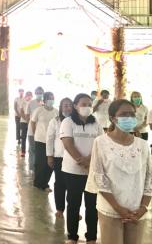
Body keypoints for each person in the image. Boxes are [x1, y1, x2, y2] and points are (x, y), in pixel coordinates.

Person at [86, 99, 152, 244]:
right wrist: (118, 208)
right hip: (110, 209)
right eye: (124, 114)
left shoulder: (143, 145)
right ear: (112, 118)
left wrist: (143, 207)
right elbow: (99, 178)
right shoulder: (101, 142)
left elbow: (149, 179)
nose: (129, 118)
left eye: (132, 114)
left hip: (137, 211)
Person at [60, 93, 102, 244]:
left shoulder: (95, 122)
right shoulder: (68, 122)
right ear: (76, 106)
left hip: (92, 170)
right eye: (83, 104)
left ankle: (91, 237)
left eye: (89, 104)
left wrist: (89, 161)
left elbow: (100, 143)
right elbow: (68, 144)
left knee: (92, 205)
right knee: (73, 204)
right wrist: (82, 161)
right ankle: (72, 236)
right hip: (73, 171)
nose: (87, 107)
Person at [46, 97, 73, 218]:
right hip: (59, 157)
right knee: (60, 184)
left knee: (74, 186)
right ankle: (60, 209)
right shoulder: (55, 121)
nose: (67, 108)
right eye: (65, 105)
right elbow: (49, 139)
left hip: (74, 158)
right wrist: (49, 156)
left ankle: (74, 210)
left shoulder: (77, 121)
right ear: (61, 107)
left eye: (69, 105)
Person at [31, 91, 58, 191]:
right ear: (45, 100)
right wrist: (35, 134)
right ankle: (38, 183)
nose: (51, 100)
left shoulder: (56, 111)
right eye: (49, 98)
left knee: (50, 164)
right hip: (40, 140)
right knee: (40, 163)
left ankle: (45, 184)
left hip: (52, 141)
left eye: (53, 98)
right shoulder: (38, 110)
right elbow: (33, 122)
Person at [25, 86, 44, 171]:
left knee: (40, 150)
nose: (39, 94)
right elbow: (27, 115)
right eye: (38, 92)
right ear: (35, 93)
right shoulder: (31, 103)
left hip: (42, 131)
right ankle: (32, 168)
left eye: (41, 92)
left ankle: (38, 166)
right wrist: (32, 123)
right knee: (32, 149)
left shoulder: (44, 103)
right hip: (31, 130)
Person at [19, 91, 33, 157]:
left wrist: (30, 121)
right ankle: (23, 151)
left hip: (31, 122)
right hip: (23, 122)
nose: (29, 96)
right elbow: (21, 112)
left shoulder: (33, 103)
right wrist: (26, 120)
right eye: (28, 95)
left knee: (31, 137)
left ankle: (31, 151)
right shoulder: (23, 102)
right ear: (25, 96)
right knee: (23, 137)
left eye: (30, 95)